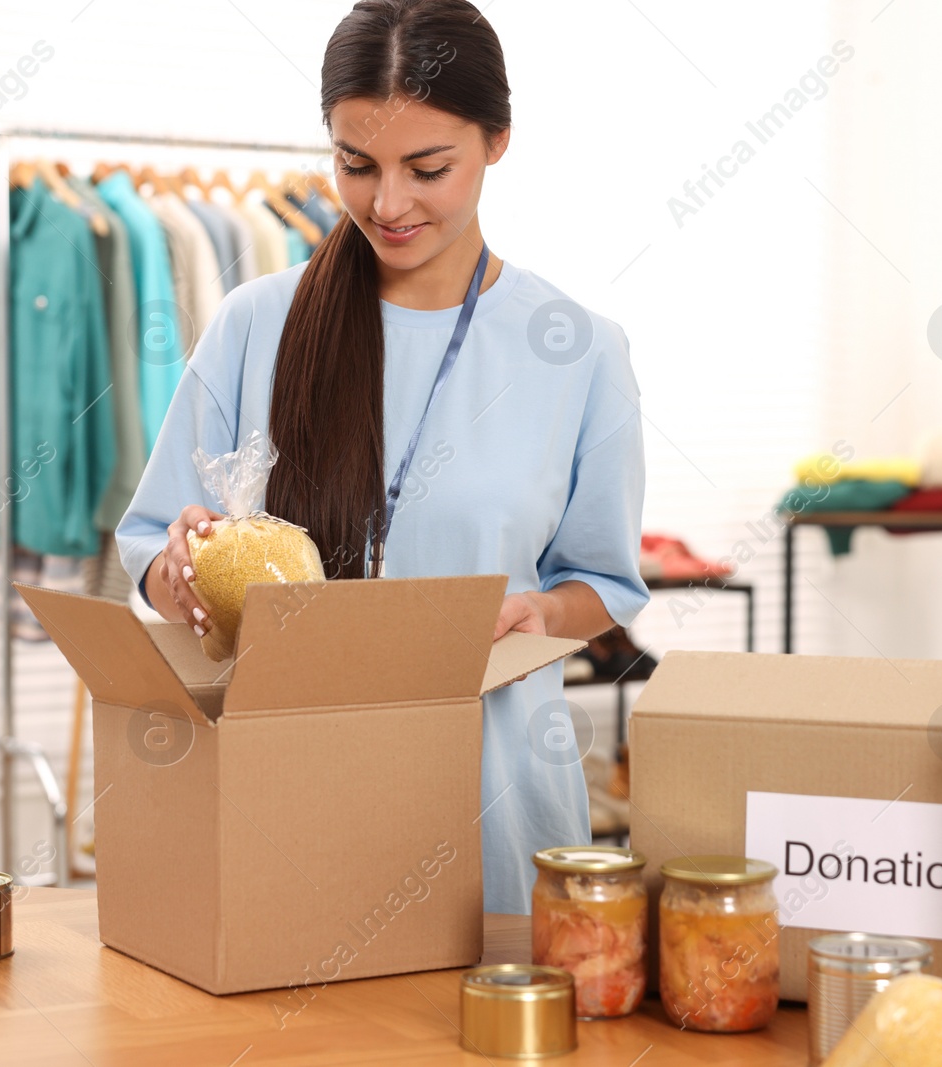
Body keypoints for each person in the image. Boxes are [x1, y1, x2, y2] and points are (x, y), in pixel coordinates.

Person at [115, 0, 648, 914]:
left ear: (498, 142)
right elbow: (157, 560)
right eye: (356, 166)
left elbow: (601, 583)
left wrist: (535, 610)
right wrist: (182, 567)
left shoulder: (578, 349)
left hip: (497, 807)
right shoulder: (257, 324)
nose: (388, 204)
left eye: (427, 168)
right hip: (287, 803)